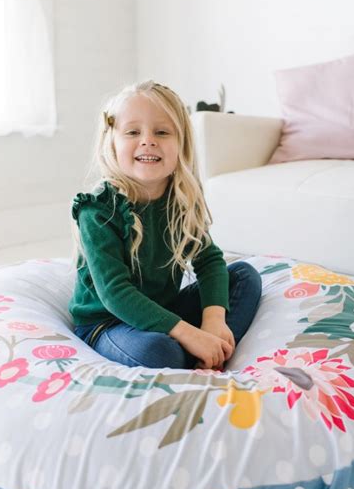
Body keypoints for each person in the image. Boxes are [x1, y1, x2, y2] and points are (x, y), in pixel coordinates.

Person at [69, 80, 262, 370]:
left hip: (165, 312)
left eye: (162, 132)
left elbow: (209, 262)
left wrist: (213, 321)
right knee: (160, 353)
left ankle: (211, 350)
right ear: (112, 141)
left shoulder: (181, 199)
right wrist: (186, 333)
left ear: (181, 143)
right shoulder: (98, 209)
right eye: (133, 132)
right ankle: (195, 352)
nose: (148, 140)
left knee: (245, 276)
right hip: (109, 324)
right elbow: (115, 294)